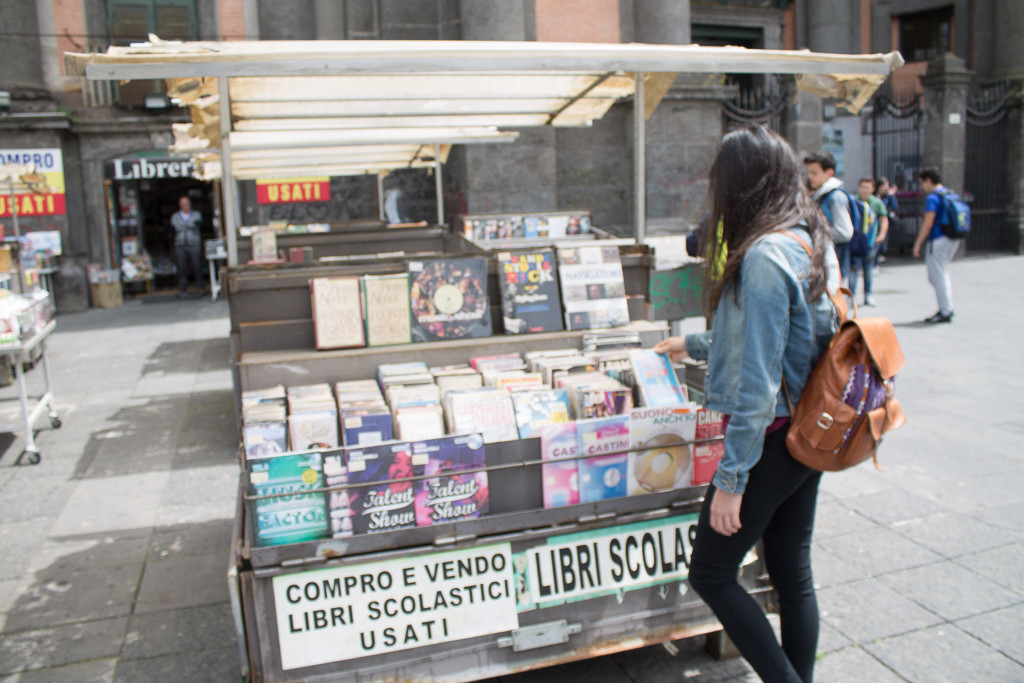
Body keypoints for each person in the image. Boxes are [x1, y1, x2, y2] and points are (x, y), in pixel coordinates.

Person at [654, 126, 839, 683]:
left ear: (737, 186)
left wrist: (732, 479)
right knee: (792, 575)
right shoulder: (807, 239)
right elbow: (784, 339)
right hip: (810, 433)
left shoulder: (762, 255)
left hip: (771, 440)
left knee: (710, 574)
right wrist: (693, 344)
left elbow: (759, 383)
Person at [913, 168, 959, 323]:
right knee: (941, 273)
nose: (922, 186)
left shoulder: (933, 197)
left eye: (922, 182)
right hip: (952, 238)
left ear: (928, 180)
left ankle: (945, 310)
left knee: (938, 276)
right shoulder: (950, 194)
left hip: (938, 239)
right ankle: (946, 307)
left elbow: (928, 222)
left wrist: (918, 243)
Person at [804, 151, 853, 285]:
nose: (810, 177)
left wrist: (815, 233)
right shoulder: (821, 195)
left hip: (834, 264)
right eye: (809, 172)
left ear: (829, 172)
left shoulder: (835, 197)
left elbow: (845, 232)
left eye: (814, 173)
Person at [851, 177, 889, 306]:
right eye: (863, 187)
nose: (865, 190)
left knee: (868, 270)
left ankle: (868, 295)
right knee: (854, 270)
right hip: (856, 242)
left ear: (872, 189)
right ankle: (851, 297)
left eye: (868, 188)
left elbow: (884, 219)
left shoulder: (876, 203)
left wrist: (881, 235)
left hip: (870, 242)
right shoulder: (854, 201)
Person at [170, 196, 203, 295]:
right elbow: (174, 228)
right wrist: (189, 225)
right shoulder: (175, 216)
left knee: (197, 265)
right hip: (180, 244)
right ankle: (183, 287)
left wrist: (183, 225)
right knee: (182, 266)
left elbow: (196, 225)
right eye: (183, 203)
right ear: (180, 205)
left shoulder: (196, 214)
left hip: (194, 243)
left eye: (187, 203)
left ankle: (200, 286)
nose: (185, 205)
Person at [875, 177, 900, 261]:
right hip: (875, 222)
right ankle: (875, 259)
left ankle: (878, 256)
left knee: (883, 243)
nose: (886, 188)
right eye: (884, 185)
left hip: (884, 222)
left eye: (887, 185)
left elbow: (895, 207)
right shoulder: (874, 196)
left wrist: (891, 195)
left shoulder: (888, 197)